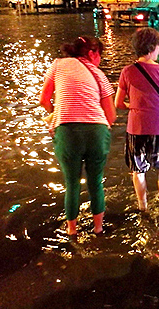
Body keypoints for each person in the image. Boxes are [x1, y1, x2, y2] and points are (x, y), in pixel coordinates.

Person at [39, 36, 116, 236]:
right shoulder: (99, 75)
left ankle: (71, 231)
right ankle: (98, 229)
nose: (99, 60)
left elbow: (44, 99)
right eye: (99, 55)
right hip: (97, 132)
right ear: (91, 53)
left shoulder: (58, 64)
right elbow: (112, 115)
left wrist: (54, 115)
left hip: (67, 131)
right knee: (95, 181)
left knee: (72, 183)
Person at [115, 28, 159, 211]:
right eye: (158, 47)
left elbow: (118, 102)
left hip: (136, 128)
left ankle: (143, 207)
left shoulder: (127, 72)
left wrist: (134, 107)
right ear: (152, 47)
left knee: (138, 169)